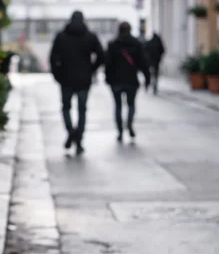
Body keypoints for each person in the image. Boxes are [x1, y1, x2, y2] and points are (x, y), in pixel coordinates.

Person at [49, 11, 104, 154]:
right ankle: (78, 138)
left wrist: (57, 74)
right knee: (82, 110)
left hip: (66, 78)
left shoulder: (61, 37)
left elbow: (53, 57)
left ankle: (71, 132)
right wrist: (91, 69)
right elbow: (101, 55)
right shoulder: (90, 36)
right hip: (84, 79)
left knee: (66, 108)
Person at [105, 22, 150, 142]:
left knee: (118, 106)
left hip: (116, 80)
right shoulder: (136, 44)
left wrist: (107, 78)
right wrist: (147, 79)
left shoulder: (112, 44)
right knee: (131, 104)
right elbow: (143, 63)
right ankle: (129, 122)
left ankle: (120, 130)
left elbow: (107, 63)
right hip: (131, 80)